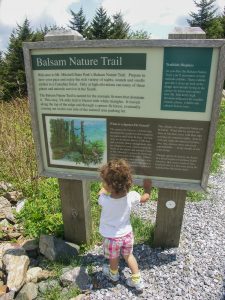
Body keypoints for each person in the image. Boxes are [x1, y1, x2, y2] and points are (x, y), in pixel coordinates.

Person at [98, 159, 152, 291]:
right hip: (127, 235)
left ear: (109, 185)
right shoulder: (131, 196)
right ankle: (137, 280)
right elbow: (145, 198)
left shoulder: (104, 200)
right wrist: (148, 188)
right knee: (129, 256)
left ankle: (114, 275)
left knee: (113, 257)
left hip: (111, 238)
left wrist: (104, 188)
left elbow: (100, 193)